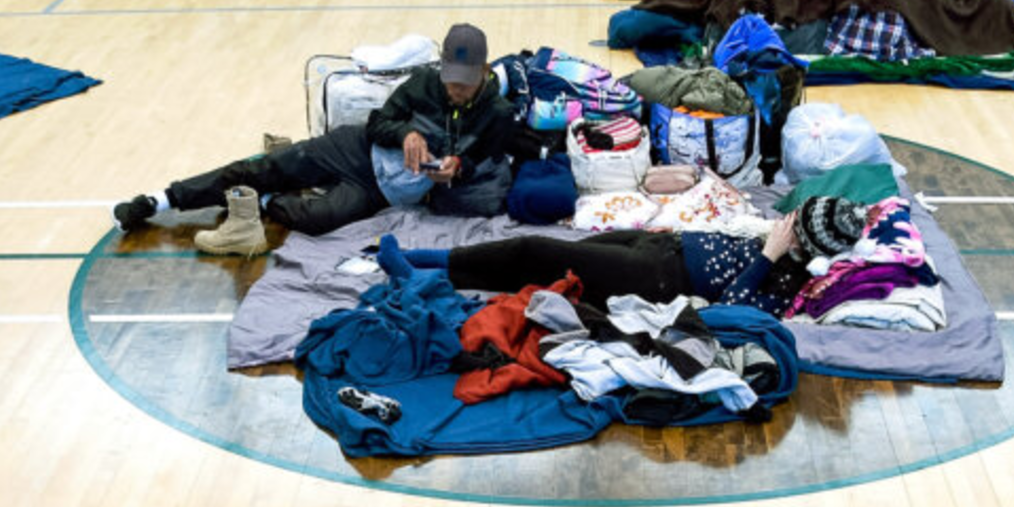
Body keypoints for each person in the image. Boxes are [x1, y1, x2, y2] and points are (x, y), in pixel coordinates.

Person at [114, 23, 521, 251]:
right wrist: (405, 133)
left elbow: (485, 163)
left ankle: (264, 199)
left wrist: (456, 168)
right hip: (356, 150)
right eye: (450, 80)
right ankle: (161, 199)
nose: (455, 91)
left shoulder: (498, 113)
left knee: (319, 219)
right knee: (264, 168)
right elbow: (378, 123)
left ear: (484, 71)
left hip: (384, 192)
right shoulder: (424, 82)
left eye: (464, 84)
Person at [370, 195, 882, 313]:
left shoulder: (786, 279)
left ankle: (416, 265)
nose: (784, 222)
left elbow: (732, 309)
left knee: (533, 249)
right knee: (549, 264)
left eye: (794, 226)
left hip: (654, 277)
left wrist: (769, 255)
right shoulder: (778, 236)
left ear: (805, 244)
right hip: (657, 244)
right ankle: (421, 267)